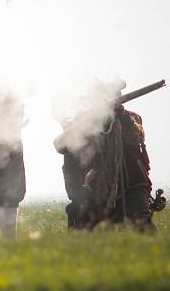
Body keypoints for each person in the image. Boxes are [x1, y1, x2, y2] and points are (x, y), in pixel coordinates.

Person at [55, 82, 157, 231]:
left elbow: (135, 136)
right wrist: (82, 126)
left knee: (141, 222)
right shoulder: (85, 123)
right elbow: (61, 145)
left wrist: (121, 114)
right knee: (83, 224)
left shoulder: (130, 118)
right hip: (96, 188)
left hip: (132, 185)